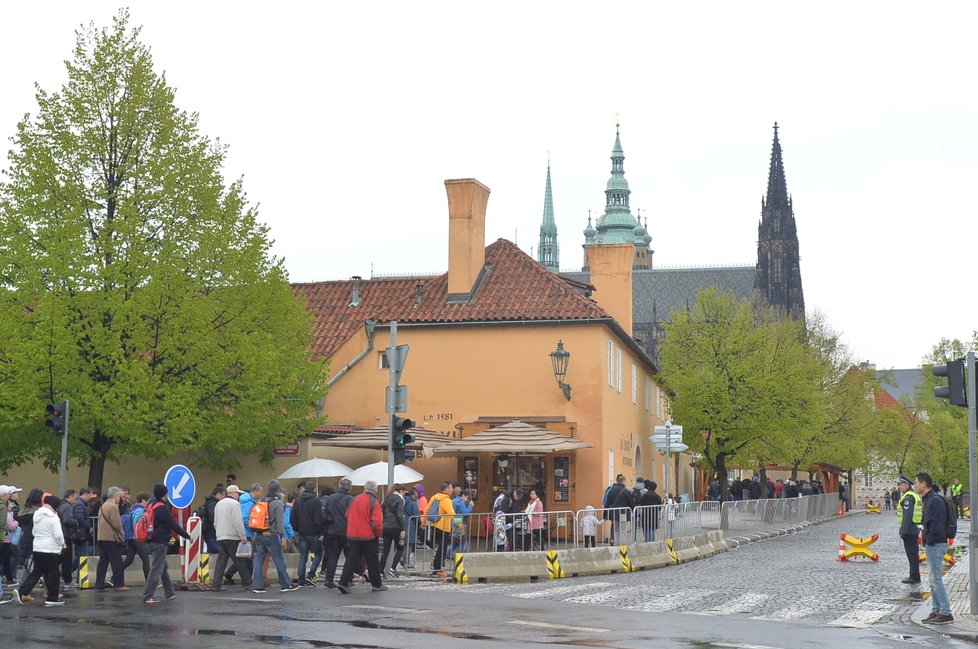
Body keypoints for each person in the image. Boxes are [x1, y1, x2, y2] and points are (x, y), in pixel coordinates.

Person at [12, 495, 65, 607]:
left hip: (37, 547)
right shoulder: (53, 517)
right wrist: (61, 544)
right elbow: (58, 535)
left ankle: (22, 591)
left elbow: (34, 532)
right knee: (53, 573)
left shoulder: (37, 515)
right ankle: (52, 598)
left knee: (37, 571)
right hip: (50, 548)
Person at [143, 484, 190, 604]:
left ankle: (170, 593)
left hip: (150, 540)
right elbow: (172, 524)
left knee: (163, 568)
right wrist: (187, 536)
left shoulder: (151, 505)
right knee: (156, 569)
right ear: (165, 494)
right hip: (159, 542)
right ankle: (148, 595)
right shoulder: (162, 507)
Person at [336, 480, 386, 594]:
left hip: (353, 534)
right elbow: (377, 522)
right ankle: (376, 584)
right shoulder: (374, 502)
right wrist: (378, 534)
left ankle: (343, 582)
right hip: (368, 536)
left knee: (351, 560)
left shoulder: (354, 499)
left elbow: (347, 515)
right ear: (375, 489)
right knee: (372, 560)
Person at [250, 480, 299, 594]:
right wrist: (282, 537)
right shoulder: (277, 503)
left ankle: (257, 586)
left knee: (259, 560)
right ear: (277, 490)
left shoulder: (261, 501)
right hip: (272, 535)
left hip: (260, 533)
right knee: (279, 560)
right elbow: (279, 522)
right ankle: (285, 584)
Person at [917, 472, 952, 624]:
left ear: (924, 484)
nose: (915, 486)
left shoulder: (935, 500)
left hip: (936, 543)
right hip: (933, 543)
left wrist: (929, 540)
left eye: (916, 483)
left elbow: (937, 523)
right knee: (932, 579)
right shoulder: (929, 499)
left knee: (936, 578)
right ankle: (937, 610)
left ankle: (945, 612)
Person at [212, 484, 252, 591]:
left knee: (221, 561)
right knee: (239, 560)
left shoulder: (218, 504)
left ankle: (216, 584)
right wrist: (242, 536)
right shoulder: (235, 504)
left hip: (220, 536)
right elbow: (237, 522)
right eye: (238, 493)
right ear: (233, 493)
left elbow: (215, 523)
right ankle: (247, 583)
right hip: (232, 536)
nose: (238, 496)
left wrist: (219, 533)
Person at [322, 478, 357, 588]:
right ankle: (348, 579)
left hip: (332, 531)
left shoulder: (330, 498)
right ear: (350, 488)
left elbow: (324, 515)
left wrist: (330, 521)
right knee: (350, 557)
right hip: (347, 532)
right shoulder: (350, 499)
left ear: (339, 486)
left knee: (333, 556)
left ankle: (329, 579)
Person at [224, 482, 260, 586]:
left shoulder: (242, 501)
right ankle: (248, 581)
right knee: (248, 557)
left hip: (239, 532)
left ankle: (230, 574)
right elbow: (244, 518)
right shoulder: (250, 503)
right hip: (246, 533)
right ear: (255, 491)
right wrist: (253, 528)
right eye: (260, 491)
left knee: (243, 557)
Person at [94, 486, 128, 592]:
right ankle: (119, 584)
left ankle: (99, 585)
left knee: (103, 562)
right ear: (115, 495)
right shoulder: (113, 506)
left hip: (102, 537)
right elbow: (116, 523)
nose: (119, 498)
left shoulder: (103, 506)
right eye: (119, 496)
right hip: (111, 537)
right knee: (117, 561)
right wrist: (122, 533)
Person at [291, 481, 324, 587]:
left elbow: (292, 517)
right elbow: (319, 519)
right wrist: (321, 532)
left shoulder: (298, 501)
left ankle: (301, 578)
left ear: (304, 489)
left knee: (303, 556)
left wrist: (296, 528)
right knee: (318, 554)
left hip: (301, 532)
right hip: (313, 533)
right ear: (314, 490)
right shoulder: (316, 501)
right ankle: (310, 575)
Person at [895, 476, 922, 585]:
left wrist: (903, 531)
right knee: (913, 553)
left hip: (910, 529)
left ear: (906, 485)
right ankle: (915, 574)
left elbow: (907, 515)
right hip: (913, 528)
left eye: (901, 485)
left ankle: (914, 576)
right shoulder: (913, 495)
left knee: (912, 554)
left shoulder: (908, 497)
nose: (899, 487)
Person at [427, 481, 456, 576]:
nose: (452, 490)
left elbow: (427, 509)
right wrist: (460, 524)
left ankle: (436, 566)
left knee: (439, 547)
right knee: (442, 548)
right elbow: (452, 514)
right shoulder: (446, 500)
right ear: (446, 489)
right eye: (451, 488)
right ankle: (437, 569)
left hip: (434, 525)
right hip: (443, 527)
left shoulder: (434, 497)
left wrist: (423, 522)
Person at [380, 484, 407, 578]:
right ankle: (392, 568)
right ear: (400, 491)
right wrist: (403, 529)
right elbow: (399, 515)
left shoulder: (386, 499)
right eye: (404, 492)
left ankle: (380, 572)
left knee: (385, 551)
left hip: (386, 527)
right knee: (401, 547)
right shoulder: (399, 500)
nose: (404, 495)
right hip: (395, 527)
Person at [122, 492, 151, 581]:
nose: (148, 503)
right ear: (143, 501)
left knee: (129, 560)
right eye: (147, 501)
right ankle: (149, 581)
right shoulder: (140, 510)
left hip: (131, 537)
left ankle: (114, 577)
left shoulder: (133, 509)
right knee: (145, 558)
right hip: (136, 537)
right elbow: (136, 524)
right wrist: (138, 535)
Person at [199, 486, 224, 556]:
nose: (223, 497)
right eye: (223, 495)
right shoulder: (213, 503)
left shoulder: (208, 502)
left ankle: (209, 565)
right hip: (211, 531)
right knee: (216, 549)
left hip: (208, 531)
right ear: (218, 494)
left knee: (211, 551)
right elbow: (212, 516)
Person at [401, 487, 420, 570]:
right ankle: (406, 562)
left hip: (403, 524)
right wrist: (420, 523)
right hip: (411, 525)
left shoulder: (403, 501)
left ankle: (402, 559)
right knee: (409, 545)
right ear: (412, 495)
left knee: (404, 544)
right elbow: (417, 516)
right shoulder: (413, 503)